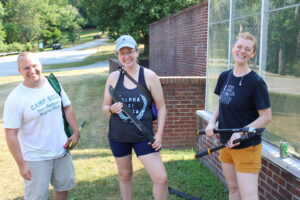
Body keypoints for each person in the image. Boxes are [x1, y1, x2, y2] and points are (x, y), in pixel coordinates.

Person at [3, 52, 80, 200]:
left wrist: (76, 133)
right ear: (19, 71)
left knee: (63, 189)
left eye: (34, 66)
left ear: (40, 65)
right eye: (26, 68)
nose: (31, 71)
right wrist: (22, 165)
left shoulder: (52, 83)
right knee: (36, 197)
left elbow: (67, 107)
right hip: (35, 158)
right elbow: (11, 134)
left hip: (62, 150)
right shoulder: (15, 99)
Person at [205, 32, 272, 200]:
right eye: (239, 47)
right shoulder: (225, 76)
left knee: (249, 196)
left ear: (252, 53)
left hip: (247, 147)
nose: (242, 51)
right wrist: (212, 122)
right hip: (226, 144)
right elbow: (222, 103)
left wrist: (241, 132)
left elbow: (266, 117)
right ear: (233, 48)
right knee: (233, 189)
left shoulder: (256, 82)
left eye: (247, 49)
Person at [102, 35, 168, 200]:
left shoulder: (149, 76)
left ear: (137, 52)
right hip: (119, 136)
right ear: (118, 56)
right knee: (125, 175)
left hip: (143, 136)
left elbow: (161, 107)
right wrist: (111, 109)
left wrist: (158, 134)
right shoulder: (113, 78)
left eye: (129, 51)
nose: (126, 56)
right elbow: (104, 107)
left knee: (161, 178)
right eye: (122, 53)